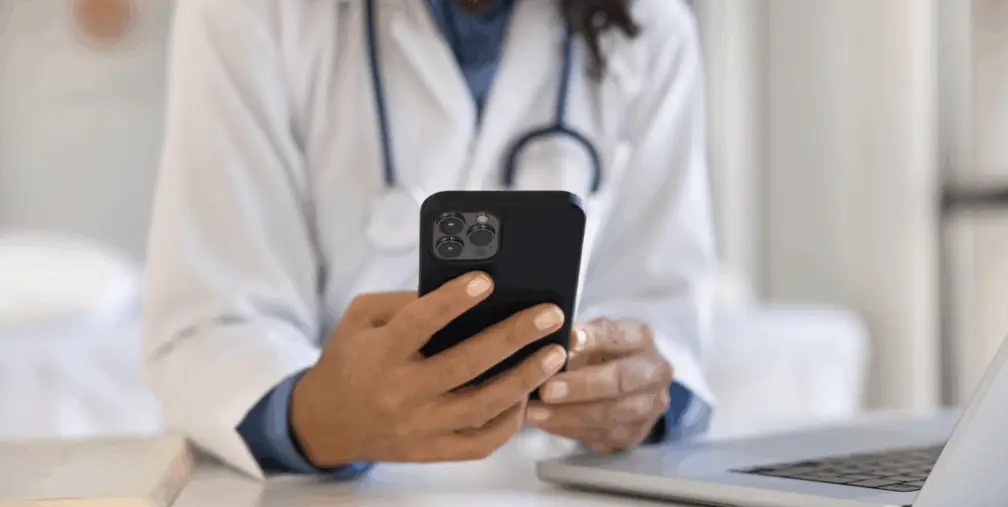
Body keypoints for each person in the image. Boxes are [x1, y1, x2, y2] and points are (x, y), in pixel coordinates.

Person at [143, 0, 717, 480]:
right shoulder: (251, 13)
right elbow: (213, 324)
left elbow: (664, 310)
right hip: (329, 506)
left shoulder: (650, 26)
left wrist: (632, 395)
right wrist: (321, 415)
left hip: (556, 499)